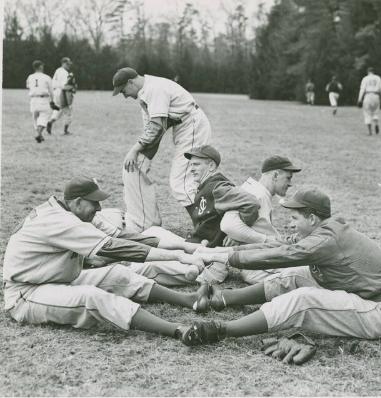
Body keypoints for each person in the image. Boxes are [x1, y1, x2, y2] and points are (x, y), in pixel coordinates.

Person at [181, 188, 381, 346]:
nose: (291, 223)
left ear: (312, 218)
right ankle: (225, 299)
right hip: (366, 294)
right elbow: (280, 244)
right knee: (297, 275)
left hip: (378, 312)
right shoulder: (325, 229)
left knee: (303, 299)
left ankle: (221, 330)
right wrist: (219, 252)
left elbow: (281, 255)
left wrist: (228, 260)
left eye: (295, 218)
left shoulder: (325, 240)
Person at [2, 175, 214, 337]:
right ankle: (177, 330)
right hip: (26, 293)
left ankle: (189, 299)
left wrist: (183, 247)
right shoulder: (60, 221)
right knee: (91, 297)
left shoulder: (73, 212)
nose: (99, 207)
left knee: (119, 274)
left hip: (54, 276)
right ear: (76, 202)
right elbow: (113, 247)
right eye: (93, 202)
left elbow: (124, 237)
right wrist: (177, 258)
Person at [112, 67, 212, 232]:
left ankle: (206, 228)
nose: (125, 96)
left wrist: (134, 150)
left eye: (123, 91)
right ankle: (206, 224)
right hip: (185, 128)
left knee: (180, 182)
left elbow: (157, 128)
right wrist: (144, 157)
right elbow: (151, 132)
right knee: (187, 182)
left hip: (192, 126)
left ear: (130, 82)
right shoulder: (145, 94)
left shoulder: (154, 89)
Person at [183, 145, 261, 283]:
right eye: (190, 165)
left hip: (209, 257)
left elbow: (251, 203)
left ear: (211, 166)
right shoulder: (206, 186)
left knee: (151, 266)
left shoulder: (218, 187)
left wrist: (237, 234)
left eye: (196, 164)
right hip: (197, 249)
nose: (191, 169)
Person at [220, 155, 301, 284]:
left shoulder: (256, 190)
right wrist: (264, 239)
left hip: (261, 259)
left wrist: (238, 236)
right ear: (275, 175)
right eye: (288, 178)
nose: (290, 183)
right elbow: (228, 226)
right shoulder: (257, 193)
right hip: (259, 266)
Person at [26, 60, 57, 143]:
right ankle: (39, 134)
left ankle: (39, 135)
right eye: (42, 66)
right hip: (43, 99)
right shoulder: (46, 77)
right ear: (40, 66)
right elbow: (51, 91)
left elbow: (28, 86)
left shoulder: (30, 77)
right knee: (44, 117)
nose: (43, 67)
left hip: (33, 99)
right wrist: (53, 101)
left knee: (35, 118)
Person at [47, 57, 77, 136]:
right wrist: (73, 88)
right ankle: (65, 130)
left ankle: (50, 121)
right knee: (68, 111)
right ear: (63, 63)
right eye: (67, 64)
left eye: (69, 64)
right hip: (62, 92)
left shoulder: (58, 70)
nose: (69, 66)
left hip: (55, 92)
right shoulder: (64, 73)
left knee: (59, 110)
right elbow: (64, 86)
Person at [357, 67, 381, 135]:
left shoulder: (365, 78)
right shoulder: (378, 78)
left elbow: (362, 89)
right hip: (376, 96)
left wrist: (359, 99)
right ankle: (376, 124)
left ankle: (370, 131)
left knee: (367, 112)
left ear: (368, 72)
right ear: (373, 71)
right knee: (376, 111)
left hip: (368, 95)